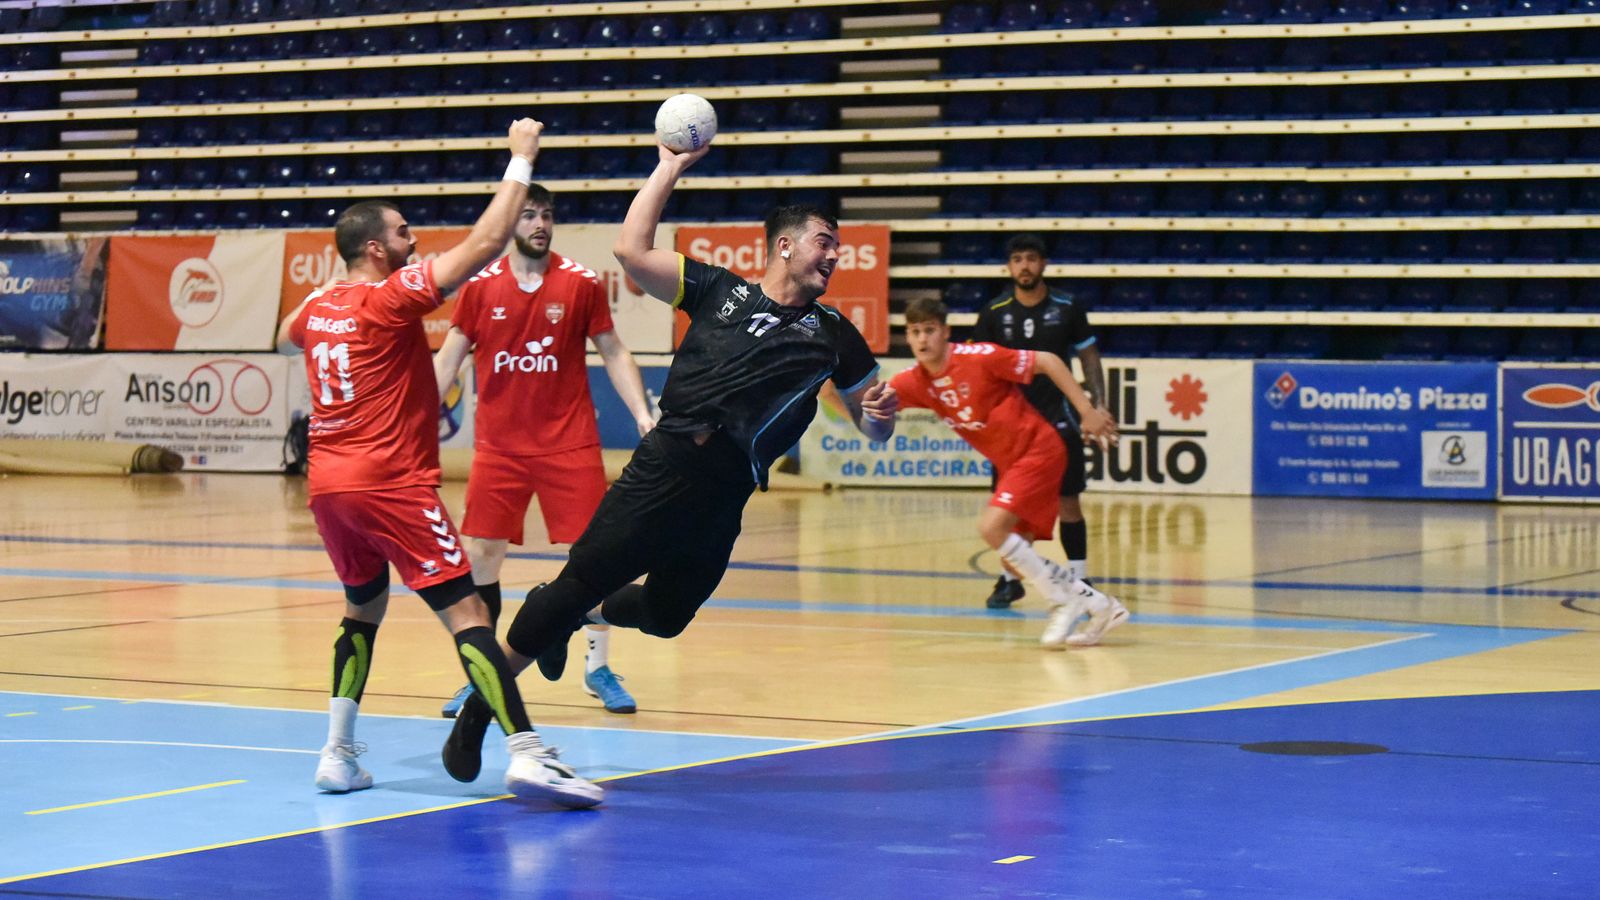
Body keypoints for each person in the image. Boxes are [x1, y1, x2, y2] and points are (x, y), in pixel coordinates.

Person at [440, 138, 900, 781]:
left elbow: (873, 422)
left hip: (725, 497)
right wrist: (670, 165)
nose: (835, 254)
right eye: (824, 240)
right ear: (785, 245)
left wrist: (880, 420)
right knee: (577, 583)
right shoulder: (717, 289)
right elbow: (632, 249)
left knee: (665, 617)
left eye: (837, 246)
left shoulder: (835, 336)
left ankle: (579, 614)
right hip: (666, 467)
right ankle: (481, 715)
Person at [276, 119, 601, 809]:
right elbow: (485, 243)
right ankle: (526, 752)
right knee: (468, 614)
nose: (412, 239)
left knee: (362, 609)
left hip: (328, 486)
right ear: (373, 249)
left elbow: (284, 337)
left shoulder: (321, 306)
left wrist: (330, 293)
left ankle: (337, 752)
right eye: (400, 232)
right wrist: (520, 159)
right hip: (390, 482)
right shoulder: (388, 298)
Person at [433, 185, 655, 717]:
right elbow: (447, 361)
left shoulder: (579, 283)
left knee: (600, 561)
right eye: (528, 214)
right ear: (510, 222)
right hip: (500, 448)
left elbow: (615, 352)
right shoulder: (480, 289)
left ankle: (598, 667)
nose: (539, 223)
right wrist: (414, 417)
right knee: (482, 559)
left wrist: (645, 414)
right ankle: (482, 673)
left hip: (569, 443)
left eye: (546, 215)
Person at [891, 296, 1128, 649]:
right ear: (907, 337)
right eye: (914, 332)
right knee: (1016, 562)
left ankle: (1064, 602)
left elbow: (1048, 360)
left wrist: (1086, 410)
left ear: (946, 332)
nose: (922, 339)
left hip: (1038, 449)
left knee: (991, 527)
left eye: (930, 330)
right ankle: (1099, 605)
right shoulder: (914, 382)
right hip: (1012, 464)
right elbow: (867, 408)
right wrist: (827, 388)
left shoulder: (980, 357)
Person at [971, 233, 1108, 610]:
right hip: (1010, 425)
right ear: (1009, 266)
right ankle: (1010, 580)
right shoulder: (994, 311)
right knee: (1008, 506)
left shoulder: (1067, 306)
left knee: (1068, 500)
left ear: (1043, 264)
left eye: (1031, 258)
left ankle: (1079, 576)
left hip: (1058, 418)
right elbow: (976, 368)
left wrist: (1097, 405)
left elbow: (1090, 358)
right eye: (1017, 259)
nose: (1025, 266)